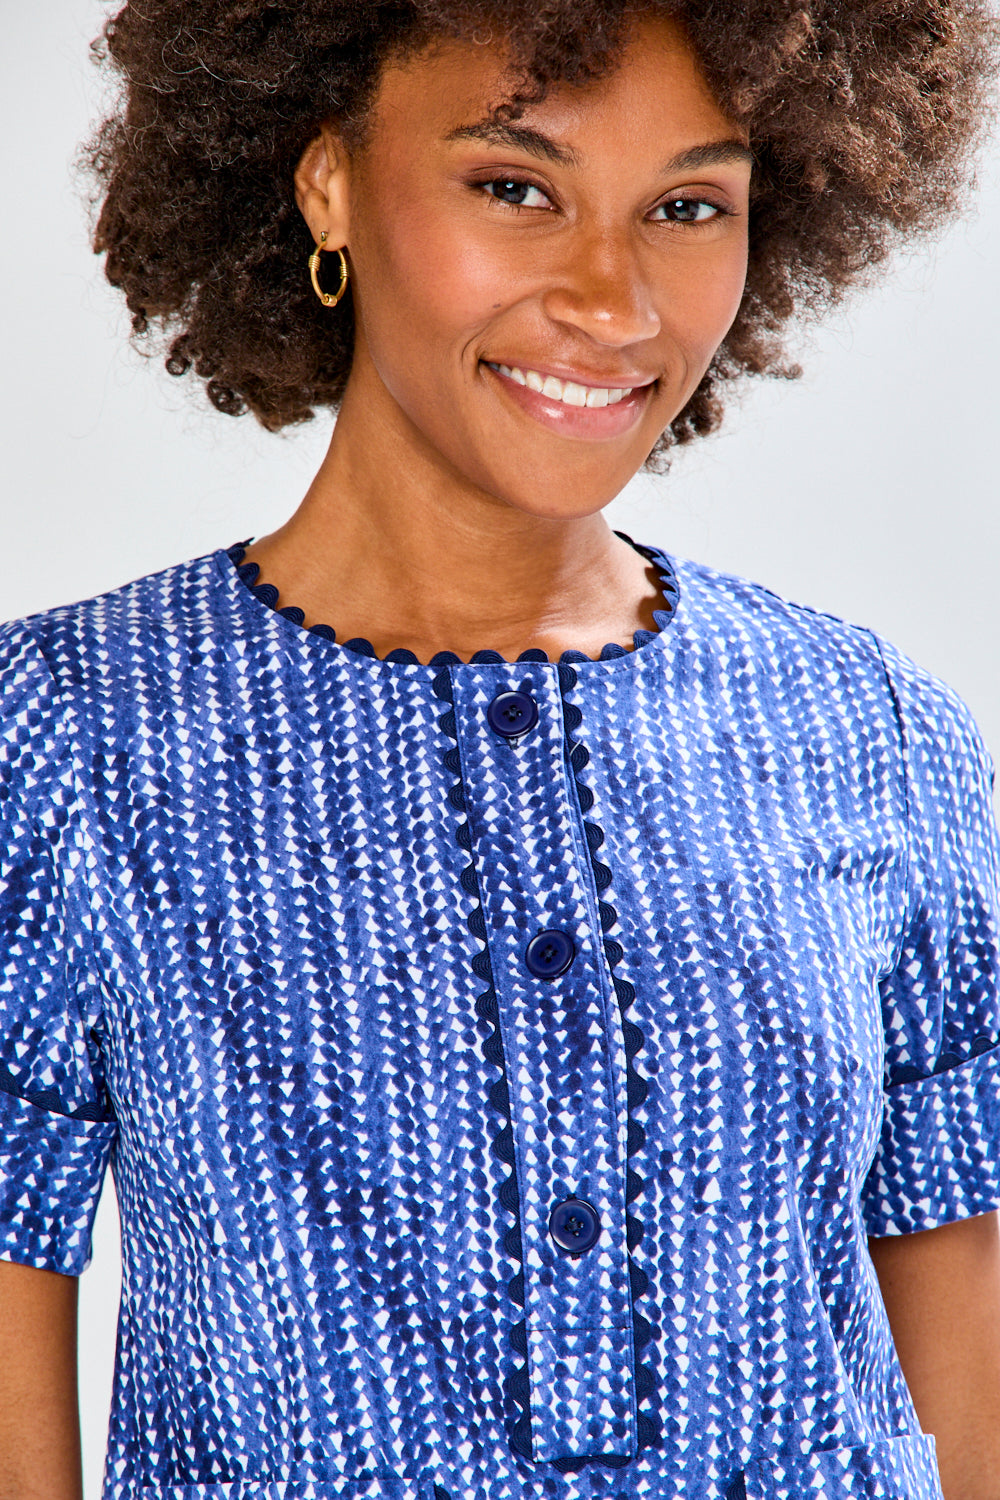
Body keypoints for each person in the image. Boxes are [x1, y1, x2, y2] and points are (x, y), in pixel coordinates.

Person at [1, 2, 999, 1497]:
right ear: (327, 175)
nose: (612, 299)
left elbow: (968, 1373)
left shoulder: (872, 733)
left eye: (686, 206)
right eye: (516, 186)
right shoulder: (75, 737)